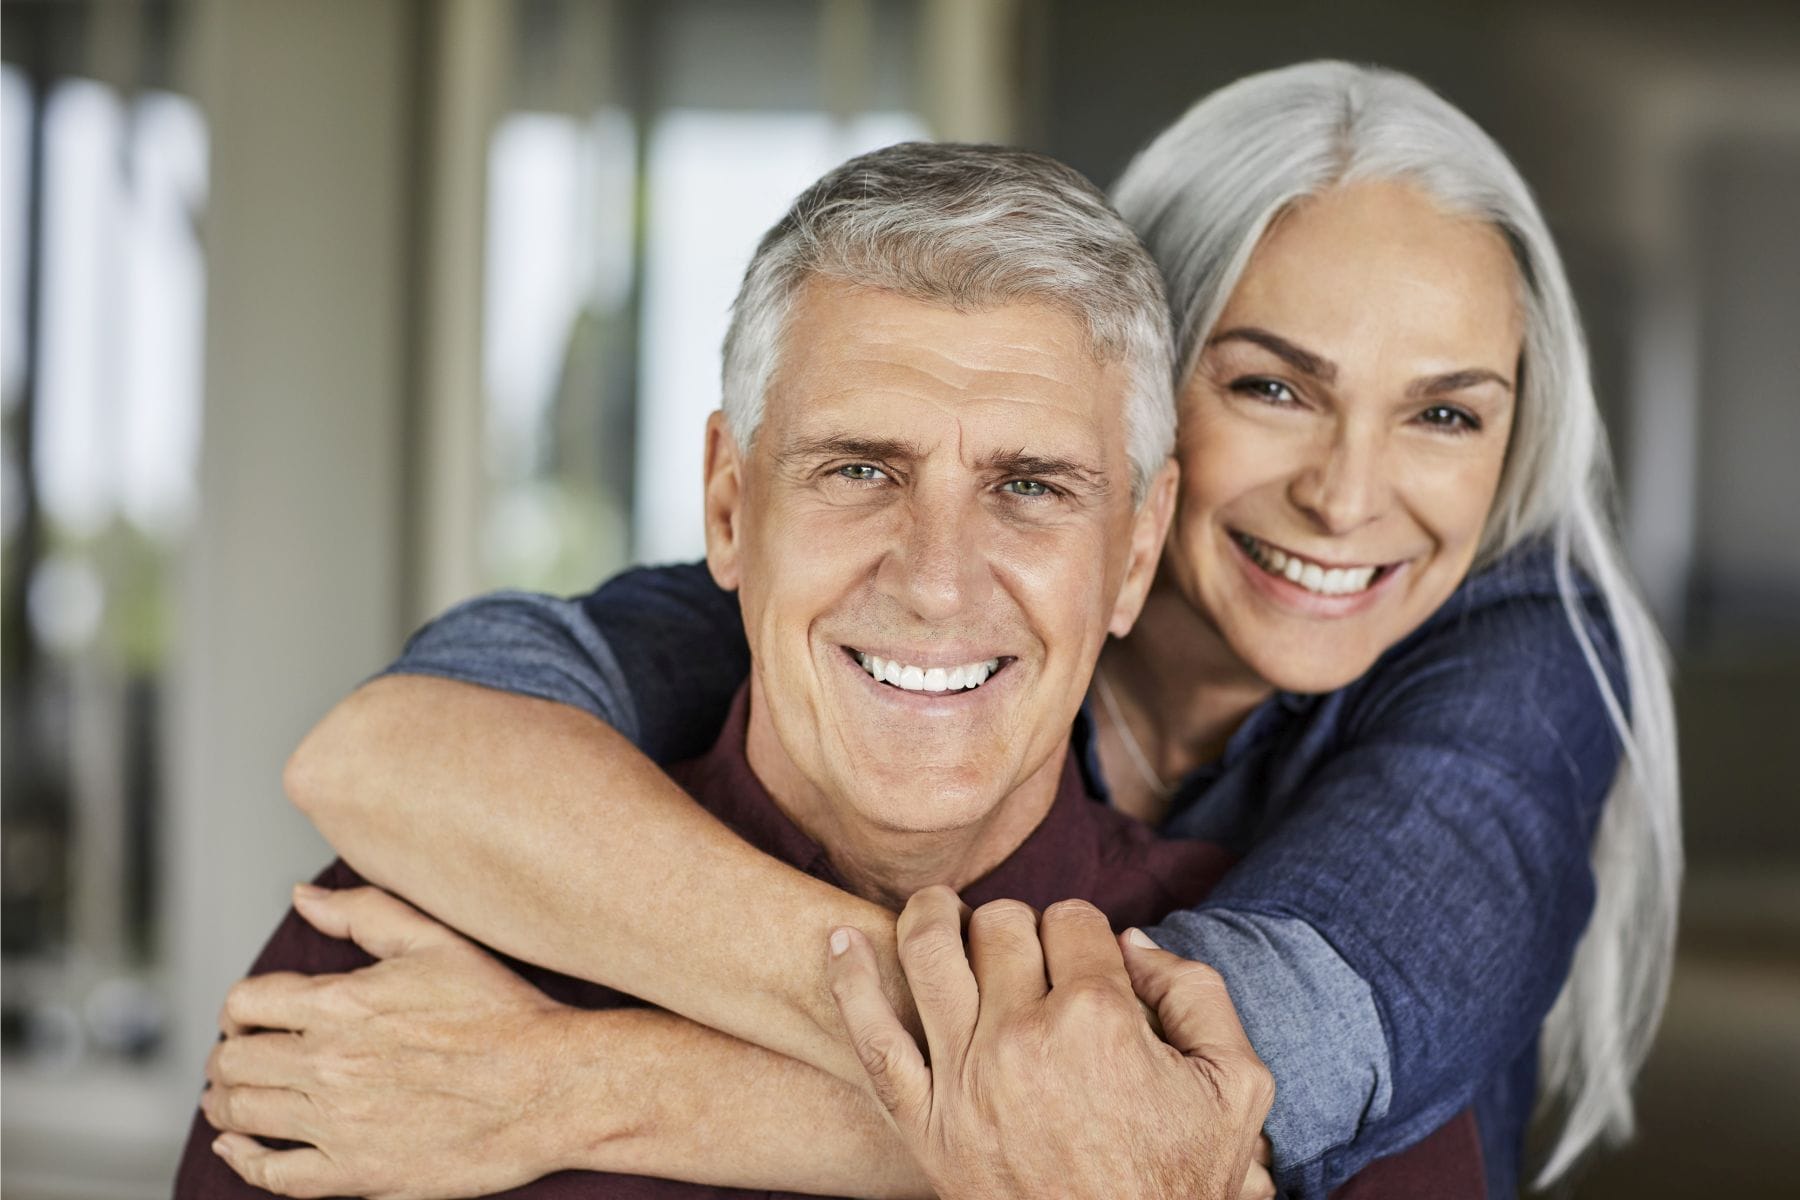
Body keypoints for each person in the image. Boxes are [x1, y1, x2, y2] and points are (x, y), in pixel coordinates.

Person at [224, 62, 1679, 1199]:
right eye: (1274, 387)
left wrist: (578, 1086)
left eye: (1445, 413)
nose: (1351, 493)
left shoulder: (1523, 660)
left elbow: (1187, 1111)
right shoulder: (853, 598)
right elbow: (397, 751)